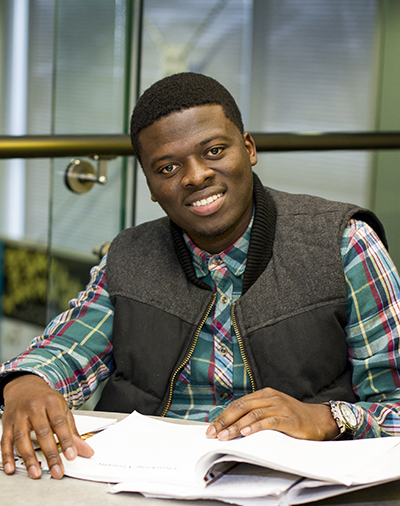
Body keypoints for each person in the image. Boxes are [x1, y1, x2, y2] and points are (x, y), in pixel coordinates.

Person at [1, 72, 400, 481]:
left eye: (213, 151)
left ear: (249, 149)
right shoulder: (129, 256)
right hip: (141, 484)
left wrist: (328, 418)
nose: (195, 176)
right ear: (150, 185)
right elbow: (65, 351)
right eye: (168, 167)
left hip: (293, 490)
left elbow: (395, 405)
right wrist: (25, 383)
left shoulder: (343, 243)